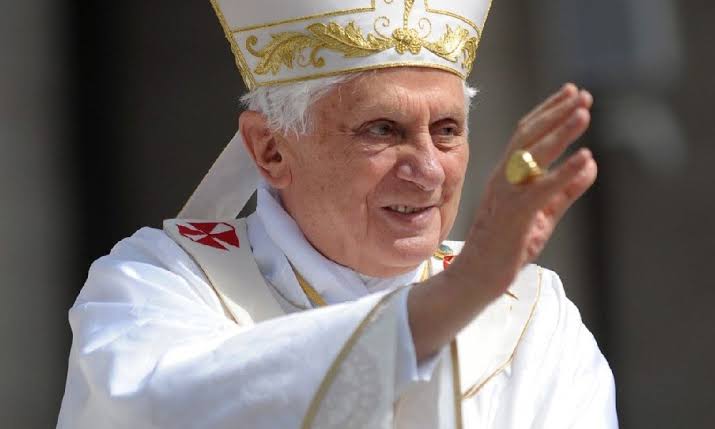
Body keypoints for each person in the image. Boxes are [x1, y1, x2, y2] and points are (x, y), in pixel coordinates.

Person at [57, 1, 618, 427]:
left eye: (447, 130)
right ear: (271, 151)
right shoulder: (157, 282)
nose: (428, 171)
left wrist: (469, 289)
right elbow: (161, 408)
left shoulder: (533, 315)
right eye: (383, 130)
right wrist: (454, 297)